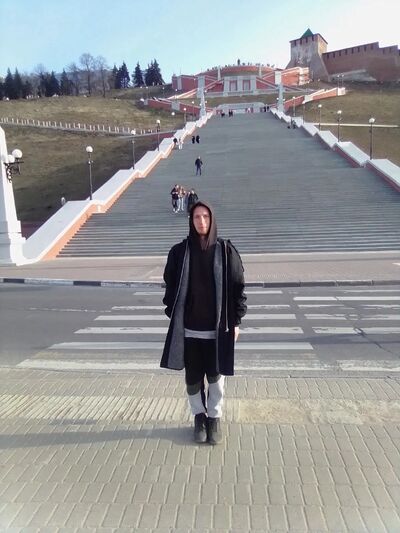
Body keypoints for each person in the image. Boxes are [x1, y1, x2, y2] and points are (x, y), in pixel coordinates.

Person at [161, 201, 247, 445]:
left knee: (216, 378)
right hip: (189, 330)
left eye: (205, 217)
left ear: (212, 219)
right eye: (197, 217)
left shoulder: (225, 251)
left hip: (217, 330)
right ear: (191, 221)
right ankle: (199, 417)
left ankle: (214, 418)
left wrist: (236, 322)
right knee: (193, 378)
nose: (201, 221)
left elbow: (238, 288)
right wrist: (174, 312)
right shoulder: (180, 252)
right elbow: (169, 285)